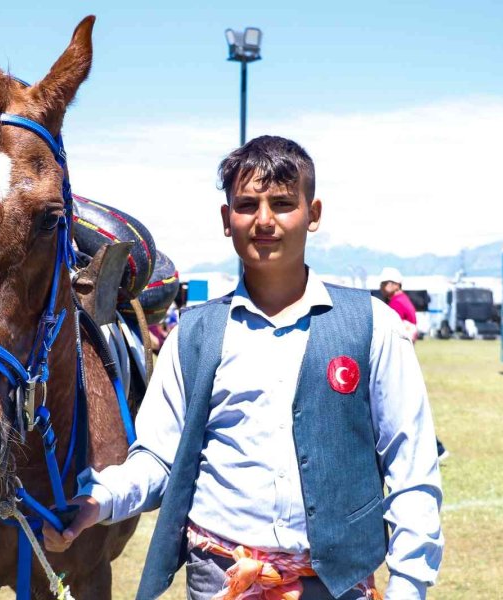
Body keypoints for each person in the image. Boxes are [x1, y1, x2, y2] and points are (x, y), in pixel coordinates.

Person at [44, 136, 443, 600]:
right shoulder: (192, 335)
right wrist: (99, 500)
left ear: (313, 214)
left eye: (283, 203)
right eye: (248, 205)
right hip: (220, 582)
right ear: (226, 219)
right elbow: (157, 458)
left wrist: (409, 585)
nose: (264, 220)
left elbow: (411, 468)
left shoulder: (373, 325)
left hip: (338, 587)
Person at [379, 268, 448, 461]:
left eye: (384, 283)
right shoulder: (403, 301)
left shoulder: (396, 304)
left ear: (395, 284)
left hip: (397, 360)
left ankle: (437, 448)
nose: (382, 287)